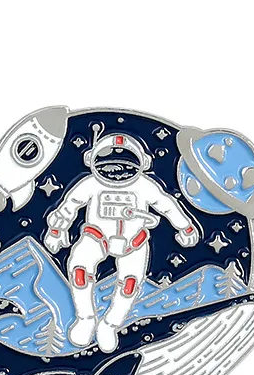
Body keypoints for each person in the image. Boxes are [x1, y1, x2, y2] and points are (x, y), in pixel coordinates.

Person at [44, 131, 199, 352]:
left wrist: (185, 226)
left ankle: (110, 324)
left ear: (142, 163)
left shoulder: (144, 186)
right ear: (92, 160)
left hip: (134, 243)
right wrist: (56, 230)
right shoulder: (90, 184)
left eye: (126, 166)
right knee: (80, 270)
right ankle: (85, 317)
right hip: (97, 237)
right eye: (108, 166)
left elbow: (167, 205)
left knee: (129, 284)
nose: (116, 172)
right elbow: (69, 206)